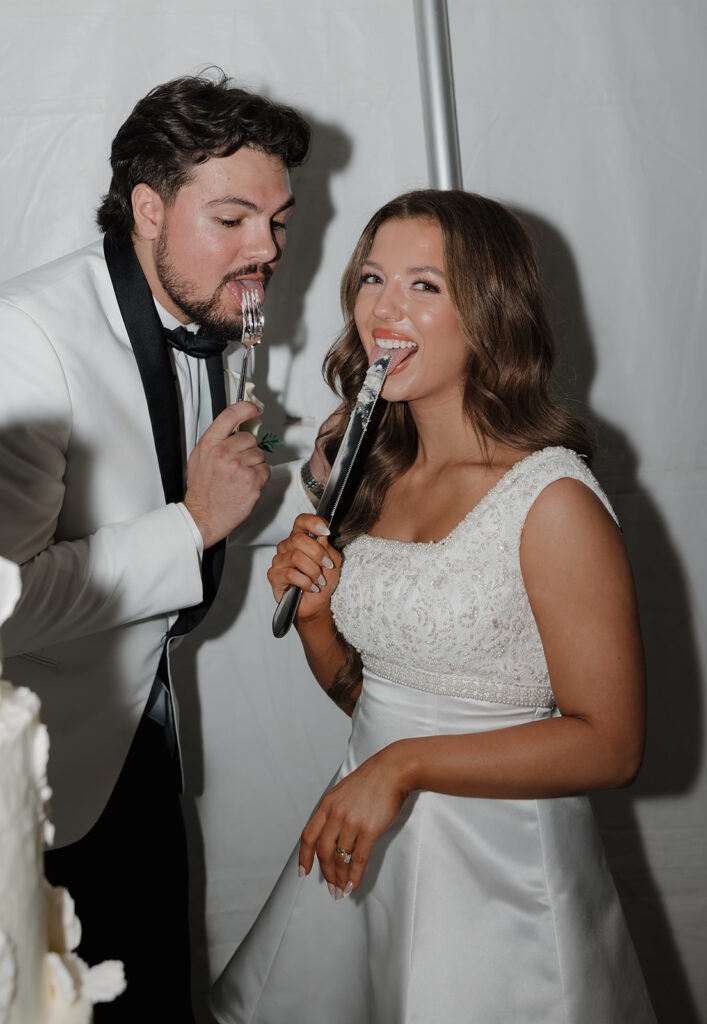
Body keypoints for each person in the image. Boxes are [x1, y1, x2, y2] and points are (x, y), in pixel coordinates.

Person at [211, 190, 657, 1023]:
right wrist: (314, 622)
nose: (384, 308)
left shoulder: (550, 500)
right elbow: (373, 697)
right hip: (367, 852)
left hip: (497, 884)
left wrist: (401, 766)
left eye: (425, 285)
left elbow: (612, 744)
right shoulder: (378, 480)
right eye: (372, 277)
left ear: (489, 312)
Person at [0, 73, 311, 1021]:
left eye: (278, 221)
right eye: (232, 218)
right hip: (32, 785)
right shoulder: (20, 339)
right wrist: (191, 523)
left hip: (139, 741)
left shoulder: (208, 318)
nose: (264, 250)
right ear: (147, 207)